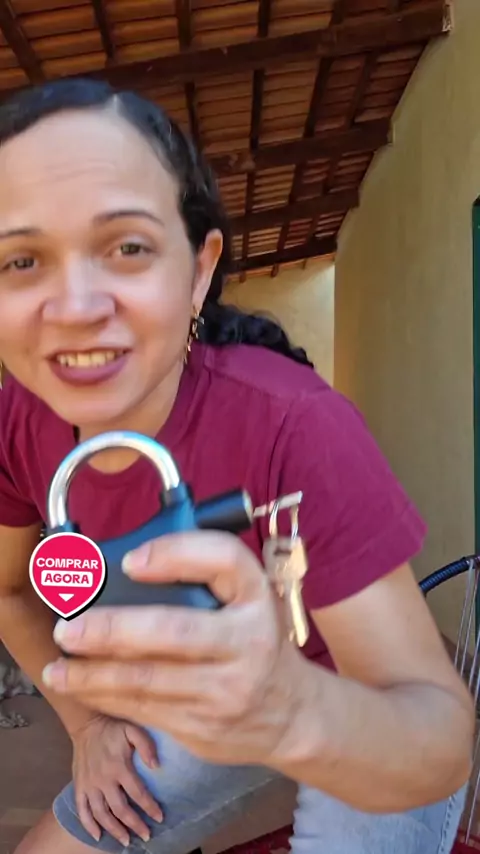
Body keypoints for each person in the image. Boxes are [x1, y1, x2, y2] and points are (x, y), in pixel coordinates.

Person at [0, 77, 473, 854]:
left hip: (357, 709)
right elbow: (12, 589)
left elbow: (438, 737)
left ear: (197, 271)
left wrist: (289, 709)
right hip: (202, 708)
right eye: (22, 260)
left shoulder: (296, 421)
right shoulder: (19, 422)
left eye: (128, 248)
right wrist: (89, 727)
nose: (76, 306)